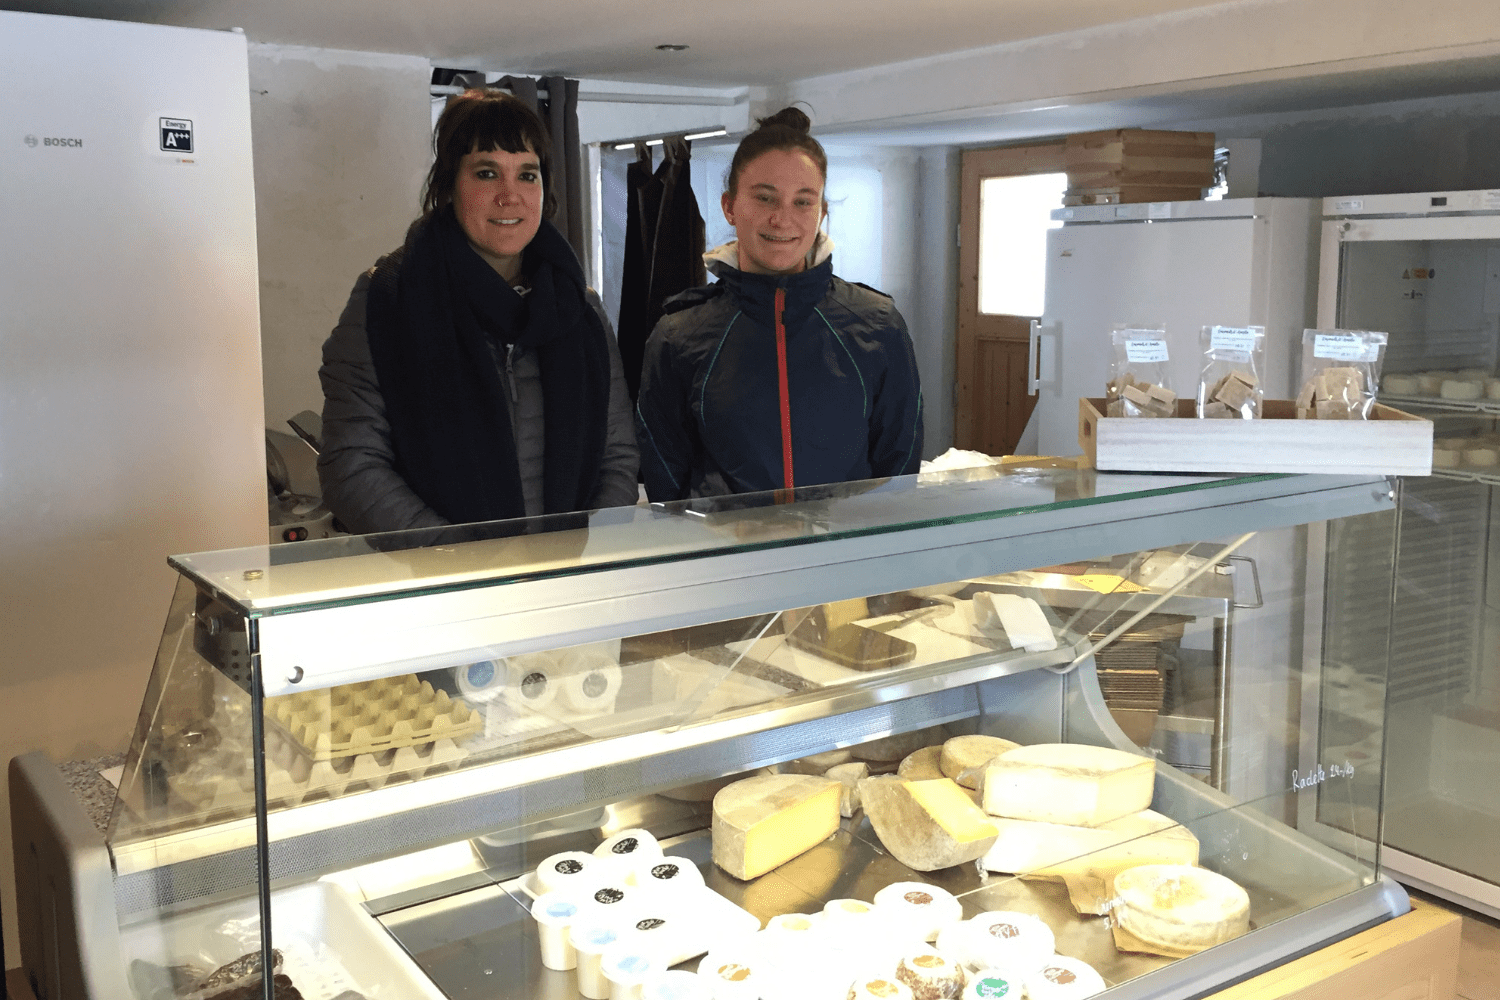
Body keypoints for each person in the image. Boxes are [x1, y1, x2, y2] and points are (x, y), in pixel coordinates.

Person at [318, 89, 638, 533]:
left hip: (566, 581)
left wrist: (582, 554)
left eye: (528, 175)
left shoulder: (580, 309)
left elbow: (617, 456)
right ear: (449, 184)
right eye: (487, 173)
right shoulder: (386, 299)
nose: (511, 196)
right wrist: (458, 560)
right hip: (444, 587)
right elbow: (352, 464)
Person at [634, 107, 923, 502]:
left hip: (843, 556)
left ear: (821, 212)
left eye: (803, 202)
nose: (782, 219)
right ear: (730, 206)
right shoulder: (680, 335)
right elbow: (666, 476)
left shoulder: (877, 324)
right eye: (765, 197)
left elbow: (898, 467)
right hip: (732, 560)